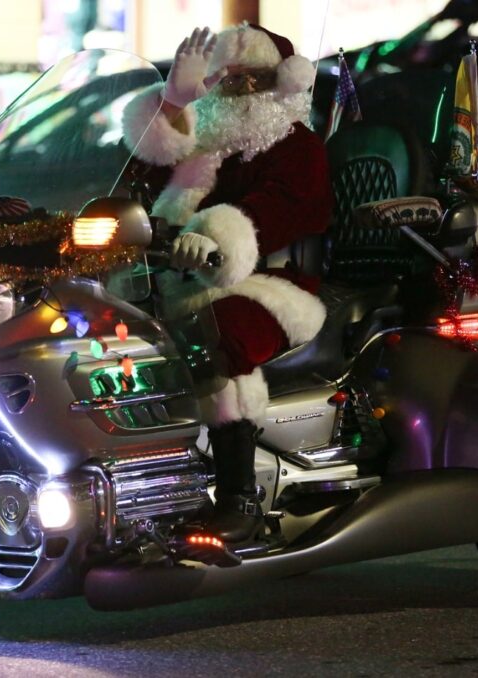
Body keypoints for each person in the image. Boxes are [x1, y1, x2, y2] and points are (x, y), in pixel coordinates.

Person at [121, 24, 333, 542]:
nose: (235, 91)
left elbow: (276, 212)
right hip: (181, 277)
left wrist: (213, 235)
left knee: (215, 337)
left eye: (250, 80)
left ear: (281, 83)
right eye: (226, 80)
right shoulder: (201, 145)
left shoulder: (297, 147)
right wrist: (171, 106)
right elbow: (137, 180)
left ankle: (240, 498)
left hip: (272, 284)